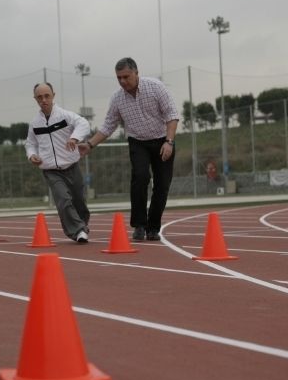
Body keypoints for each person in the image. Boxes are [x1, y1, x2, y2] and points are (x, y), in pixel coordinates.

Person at [79, 58, 179, 242]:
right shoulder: (117, 99)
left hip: (162, 140)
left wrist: (169, 142)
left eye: (126, 76)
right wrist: (90, 144)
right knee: (140, 177)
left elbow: (172, 115)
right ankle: (139, 225)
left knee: (162, 184)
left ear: (136, 73)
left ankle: (153, 227)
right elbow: (108, 126)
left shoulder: (156, 87)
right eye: (119, 78)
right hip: (138, 142)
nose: (123, 81)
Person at [25, 82, 91, 243]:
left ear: (53, 95)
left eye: (47, 96)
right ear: (35, 99)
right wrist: (32, 155)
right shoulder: (34, 123)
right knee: (63, 200)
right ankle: (78, 230)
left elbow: (84, 124)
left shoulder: (65, 116)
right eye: (39, 97)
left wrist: (74, 138)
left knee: (79, 201)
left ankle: (82, 225)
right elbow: (30, 143)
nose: (43, 100)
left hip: (72, 166)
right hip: (51, 171)